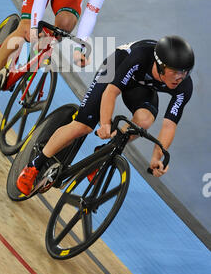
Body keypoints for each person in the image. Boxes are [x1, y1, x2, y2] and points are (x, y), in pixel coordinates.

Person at [16, 35, 195, 196]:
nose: (180, 77)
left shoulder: (184, 86)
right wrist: (105, 123)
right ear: (161, 66)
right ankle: (34, 166)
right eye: (176, 71)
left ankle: (103, 152)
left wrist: (156, 157)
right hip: (115, 69)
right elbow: (111, 92)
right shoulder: (140, 57)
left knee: (145, 120)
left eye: (185, 72)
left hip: (141, 87)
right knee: (83, 126)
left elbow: (169, 125)